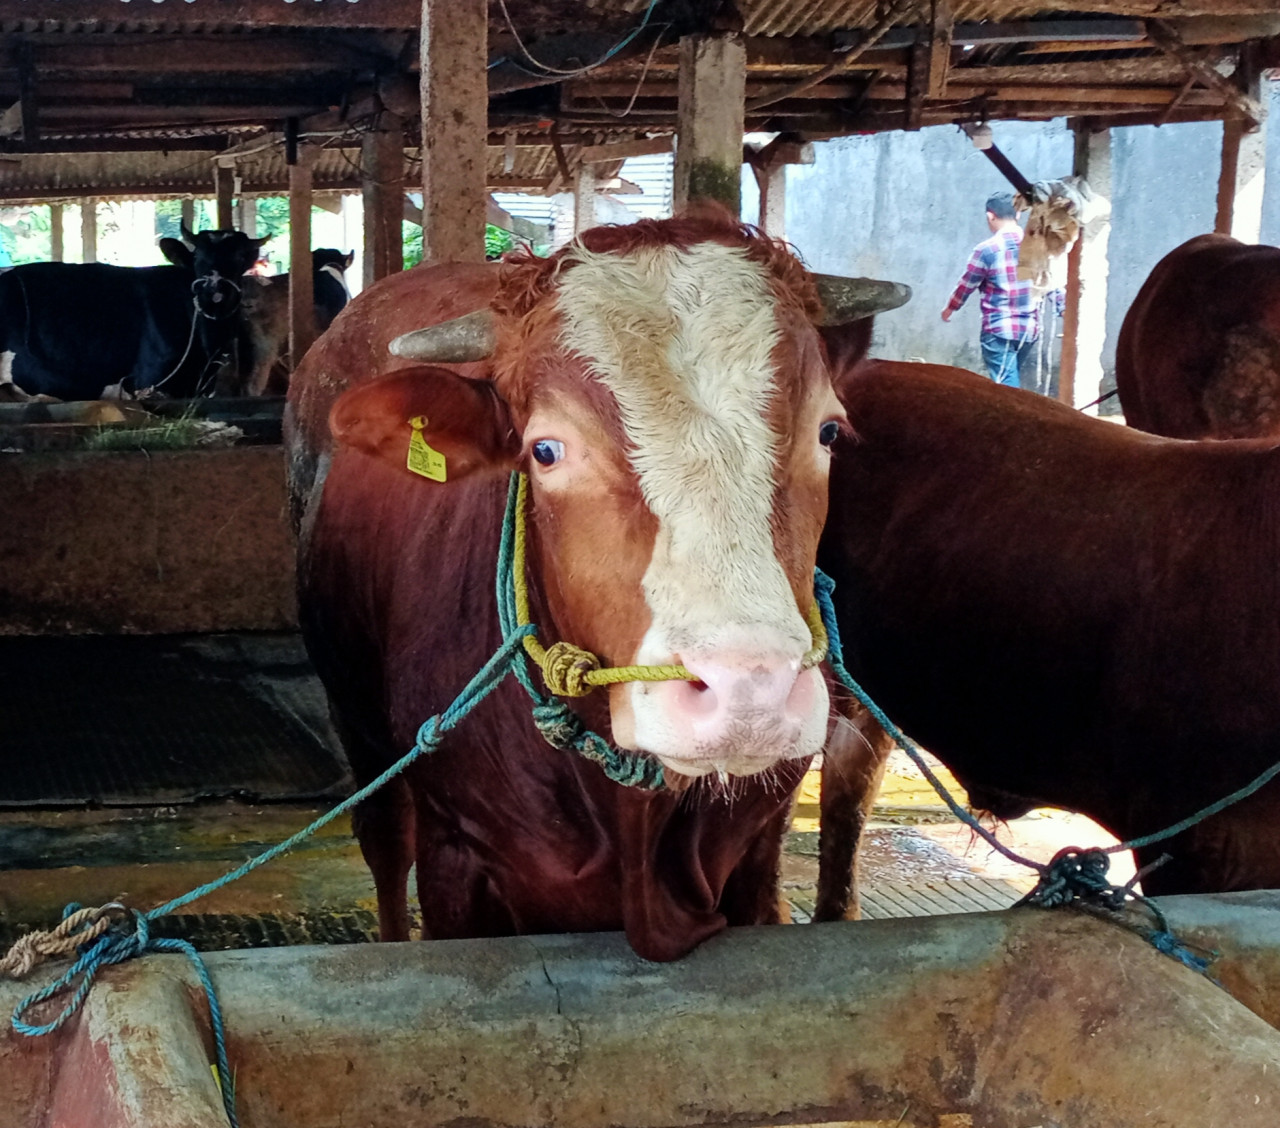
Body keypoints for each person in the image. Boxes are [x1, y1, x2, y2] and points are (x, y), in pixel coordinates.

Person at [942, 192, 1048, 390]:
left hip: (998, 329)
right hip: (1029, 330)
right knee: (1010, 377)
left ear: (990, 216)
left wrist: (951, 307)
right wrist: (1063, 308)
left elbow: (968, 283)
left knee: (1005, 386)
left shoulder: (987, 250)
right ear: (1018, 214)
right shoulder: (1039, 246)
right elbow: (1052, 282)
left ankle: (1013, 410)